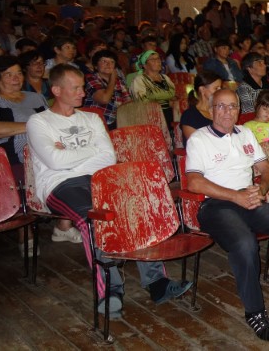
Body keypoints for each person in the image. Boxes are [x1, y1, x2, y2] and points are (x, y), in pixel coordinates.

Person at [27, 64, 191, 318]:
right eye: (76, 88)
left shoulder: (91, 118)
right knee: (94, 219)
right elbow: (54, 162)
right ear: (56, 90)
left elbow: (107, 157)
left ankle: (157, 283)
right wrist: (91, 151)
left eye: (82, 87)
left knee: (136, 208)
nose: (83, 93)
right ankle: (110, 290)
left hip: (100, 178)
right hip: (61, 184)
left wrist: (70, 153)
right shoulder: (38, 122)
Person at [185, 88, 269, 341]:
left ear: (239, 110)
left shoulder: (245, 133)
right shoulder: (199, 139)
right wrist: (234, 195)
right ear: (212, 110)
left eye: (232, 106)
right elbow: (194, 182)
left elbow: (266, 167)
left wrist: (261, 189)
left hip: (248, 199)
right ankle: (255, 311)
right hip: (215, 206)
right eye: (221, 106)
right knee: (245, 243)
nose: (227, 111)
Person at [0, 55, 54, 251]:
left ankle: (63, 225)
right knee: (21, 172)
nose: (16, 78)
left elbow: (52, 122)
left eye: (18, 73)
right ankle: (24, 233)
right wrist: (33, 125)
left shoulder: (35, 97)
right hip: (9, 157)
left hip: (42, 153)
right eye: (8, 75)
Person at [83, 49, 131, 130]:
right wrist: (113, 79)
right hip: (96, 122)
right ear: (96, 66)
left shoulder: (119, 81)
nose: (108, 64)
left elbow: (128, 102)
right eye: (104, 61)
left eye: (112, 62)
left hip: (116, 121)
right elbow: (104, 99)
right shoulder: (90, 78)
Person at [129, 50, 176, 130]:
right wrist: (167, 103)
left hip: (170, 113)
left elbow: (173, 95)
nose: (158, 61)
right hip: (151, 117)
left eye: (158, 58)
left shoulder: (165, 77)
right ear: (145, 65)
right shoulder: (139, 80)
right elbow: (142, 102)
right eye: (153, 59)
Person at [179, 71, 222, 146]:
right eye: (216, 88)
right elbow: (197, 144)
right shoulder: (190, 116)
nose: (220, 91)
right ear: (202, 90)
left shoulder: (220, 110)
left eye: (220, 88)